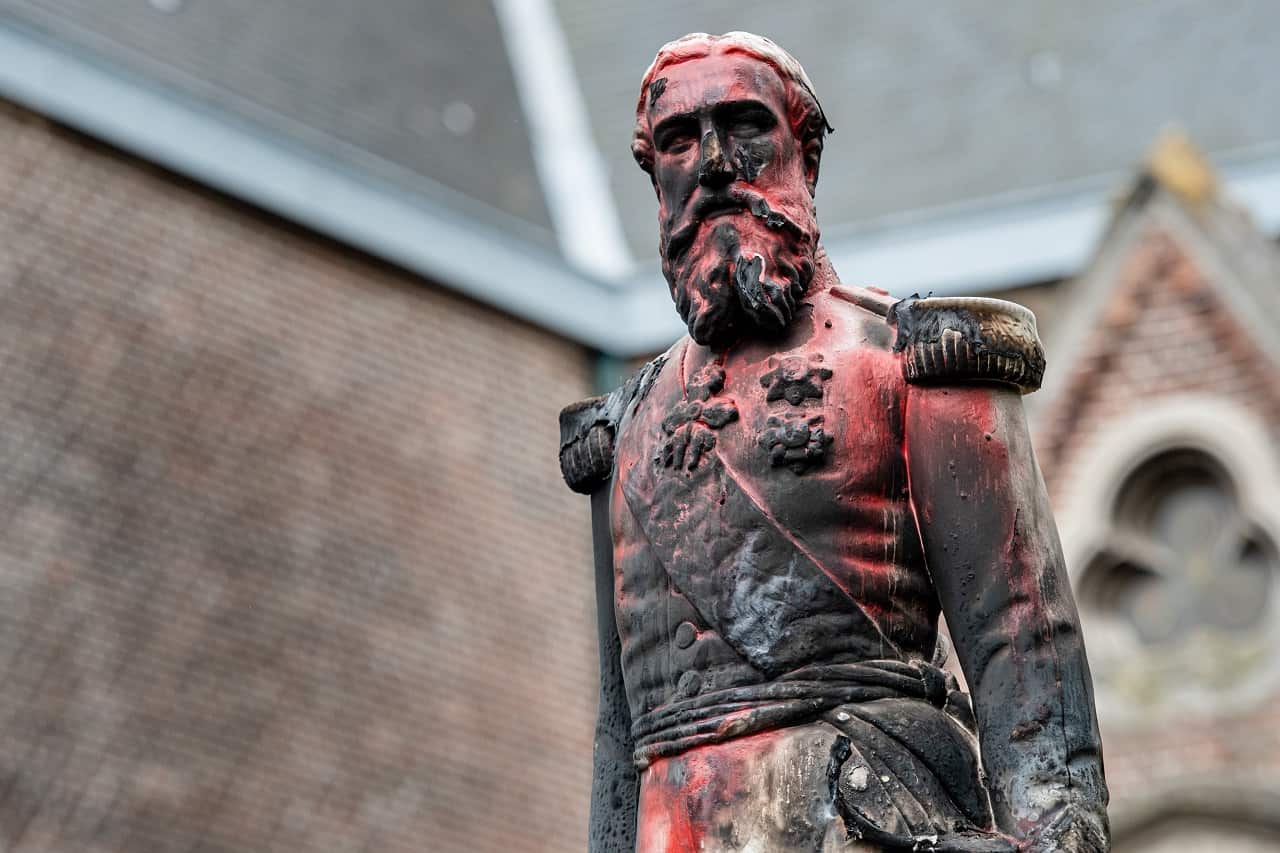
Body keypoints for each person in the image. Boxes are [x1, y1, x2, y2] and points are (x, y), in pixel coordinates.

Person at [559, 32, 1109, 853]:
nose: (713, 163)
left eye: (744, 126)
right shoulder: (622, 429)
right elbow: (620, 731)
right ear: (656, 175)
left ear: (804, 154)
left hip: (858, 820)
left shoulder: (911, 360)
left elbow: (1019, 634)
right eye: (680, 139)